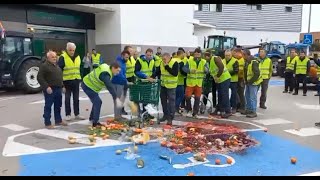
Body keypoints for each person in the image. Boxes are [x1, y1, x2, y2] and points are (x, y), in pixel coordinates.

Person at [82, 62, 121, 127]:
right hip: (88, 85)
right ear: (113, 68)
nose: (118, 72)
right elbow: (109, 86)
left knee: (96, 101)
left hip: (89, 84)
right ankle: (95, 123)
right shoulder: (105, 74)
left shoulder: (107, 68)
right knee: (98, 102)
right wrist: (116, 98)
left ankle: (92, 118)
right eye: (117, 70)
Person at [37, 51, 67, 129]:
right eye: (52, 57)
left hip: (58, 88)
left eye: (55, 56)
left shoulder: (57, 66)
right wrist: (47, 87)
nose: (54, 58)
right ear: (48, 58)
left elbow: (60, 77)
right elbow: (40, 77)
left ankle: (58, 120)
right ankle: (47, 122)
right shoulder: (44, 66)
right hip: (50, 89)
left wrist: (63, 86)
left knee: (58, 105)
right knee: (48, 106)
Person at [58, 42, 85, 121]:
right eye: (70, 50)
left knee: (76, 99)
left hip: (76, 81)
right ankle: (68, 114)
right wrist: (62, 85)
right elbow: (59, 71)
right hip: (66, 82)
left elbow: (80, 69)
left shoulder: (78, 57)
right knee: (67, 98)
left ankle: (77, 114)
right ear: (67, 49)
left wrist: (80, 79)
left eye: (73, 50)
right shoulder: (63, 57)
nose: (72, 52)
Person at [152, 53, 179, 125]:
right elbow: (158, 71)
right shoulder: (161, 63)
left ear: (169, 58)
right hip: (163, 85)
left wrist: (167, 66)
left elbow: (175, 73)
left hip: (171, 86)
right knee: (163, 101)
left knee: (171, 102)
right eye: (162, 59)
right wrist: (152, 76)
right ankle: (165, 115)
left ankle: (170, 117)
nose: (163, 61)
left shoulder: (175, 63)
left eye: (165, 59)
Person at [183, 48, 209, 118]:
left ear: (201, 55)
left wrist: (206, 70)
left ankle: (195, 112)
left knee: (197, 98)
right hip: (190, 83)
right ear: (194, 54)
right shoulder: (189, 61)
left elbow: (207, 70)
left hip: (199, 83)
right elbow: (184, 69)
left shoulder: (204, 61)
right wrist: (190, 70)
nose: (197, 55)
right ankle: (189, 110)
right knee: (187, 97)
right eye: (196, 54)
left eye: (198, 54)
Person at [208, 52, 232, 118]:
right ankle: (219, 109)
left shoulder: (215, 58)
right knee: (220, 95)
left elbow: (221, 67)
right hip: (220, 80)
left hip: (224, 78)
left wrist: (218, 76)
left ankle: (228, 111)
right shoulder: (210, 61)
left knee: (224, 95)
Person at [134, 48, 156, 119]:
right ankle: (143, 113)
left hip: (148, 82)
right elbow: (136, 71)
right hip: (141, 82)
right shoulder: (139, 60)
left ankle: (146, 113)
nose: (149, 56)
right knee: (143, 98)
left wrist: (153, 77)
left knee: (147, 98)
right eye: (148, 55)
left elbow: (153, 71)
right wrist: (145, 76)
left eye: (150, 55)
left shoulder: (152, 61)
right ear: (145, 54)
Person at [112, 50, 130, 121]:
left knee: (119, 101)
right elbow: (120, 75)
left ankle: (118, 116)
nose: (127, 59)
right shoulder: (119, 63)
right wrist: (126, 81)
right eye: (126, 57)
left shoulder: (123, 62)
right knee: (118, 101)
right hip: (117, 83)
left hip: (120, 83)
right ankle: (117, 117)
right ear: (122, 56)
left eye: (128, 57)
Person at [243, 49, 262, 118]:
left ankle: (253, 111)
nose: (242, 56)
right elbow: (246, 72)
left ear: (246, 55)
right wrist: (246, 81)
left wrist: (250, 81)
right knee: (247, 96)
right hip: (249, 82)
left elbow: (257, 74)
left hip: (254, 83)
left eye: (243, 55)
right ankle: (249, 109)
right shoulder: (247, 62)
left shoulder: (254, 62)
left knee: (252, 97)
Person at [223, 49, 239, 114]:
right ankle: (226, 107)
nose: (227, 57)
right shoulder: (222, 61)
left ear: (231, 55)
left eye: (229, 55)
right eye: (226, 55)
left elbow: (236, 70)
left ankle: (234, 107)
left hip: (233, 80)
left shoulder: (235, 61)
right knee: (225, 94)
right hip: (225, 80)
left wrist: (227, 73)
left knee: (233, 94)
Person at [122, 46, 136, 115]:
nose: (132, 52)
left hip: (132, 77)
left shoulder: (132, 58)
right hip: (125, 78)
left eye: (132, 50)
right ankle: (121, 109)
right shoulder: (124, 59)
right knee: (124, 95)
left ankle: (135, 108)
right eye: (130, 50)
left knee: (133, 94)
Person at [174, 50, 187, 114]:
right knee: (181, 96)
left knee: (175, 96)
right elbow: (183, 72)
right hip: (180, 81)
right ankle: (175, 108)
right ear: (181, 54)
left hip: (173, 82)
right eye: (183, 54)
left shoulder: (173, 60)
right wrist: (187, 73)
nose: (184, 56)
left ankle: (173, 108)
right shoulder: (181, 62)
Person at [234, 49, 246, 114]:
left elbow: (241, 71)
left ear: (239, 53)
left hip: (241, 79)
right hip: (237, 78)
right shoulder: (237, 60)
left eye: (235, 53)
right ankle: (238, 106)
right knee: (237, 93)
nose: (234, 55)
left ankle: (243, 107)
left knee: (241, 94)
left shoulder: (242, 60)